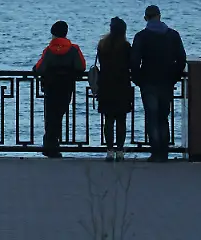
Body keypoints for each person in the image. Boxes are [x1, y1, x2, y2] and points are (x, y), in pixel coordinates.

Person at [130, 5, 187, 162]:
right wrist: (174, 76)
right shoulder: (173, 35)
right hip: (166, 82)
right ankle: (164, 152)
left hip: (148, 82)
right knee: (163, 117)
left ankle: (155, 152)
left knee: (152, 117)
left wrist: (138, 80)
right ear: (160, 16)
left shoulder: (141, 36)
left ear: (145, 18)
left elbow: (134, 62)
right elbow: (182, 59)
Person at [33, 20, 85, 158]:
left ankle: (50, 145)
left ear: (53, 34)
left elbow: (40, 68)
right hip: (66, 87)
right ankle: (53, 145)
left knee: (50, 117)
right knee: (59, 115)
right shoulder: (74, 49)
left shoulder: (48, 50)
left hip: (50, 87)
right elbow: (81, 67)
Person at [95, 17, 133, 162]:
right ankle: (120, 151)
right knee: (121, 119)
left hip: (105, 85)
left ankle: (109, 150)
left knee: (108, 120)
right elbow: (131, 64)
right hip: (122, 85)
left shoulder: (102, 45)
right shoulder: (125, 46)